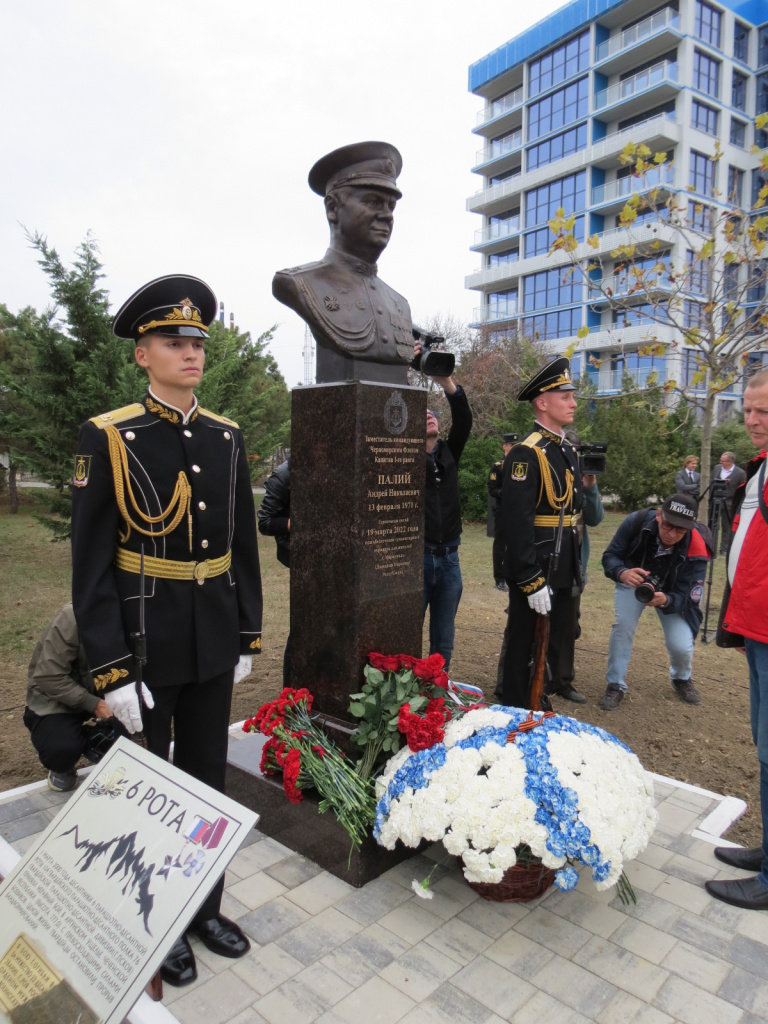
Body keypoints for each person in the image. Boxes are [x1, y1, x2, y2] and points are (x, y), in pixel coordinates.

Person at [71, 275, 263, 986]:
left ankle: (202, 908)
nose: (190, 352)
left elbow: (241, 545)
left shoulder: (225, 436)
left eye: (196, 343)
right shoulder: (111, 435)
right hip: (145, 639)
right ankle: (154, 919)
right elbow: (90, 568)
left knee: (207, 783)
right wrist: (111, 669)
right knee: (150, 792)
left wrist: (246, 635)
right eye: (173, 342)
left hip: (211, 636)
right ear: (141, 355)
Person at [272, 142, 415, 385]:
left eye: (391, 206)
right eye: (373, 202)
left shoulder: (399, 304)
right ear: (332, 208)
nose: (387, 215)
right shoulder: (299, 283)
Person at [706, 369, 768, 911]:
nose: (751, 420)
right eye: (747, 409)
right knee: (764, 745)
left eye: (763, 412)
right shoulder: (760, 467)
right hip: (756, 625)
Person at [499, 357, 583, 709]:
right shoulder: (526, 452)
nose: (573, 402)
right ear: (542, 402)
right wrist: (531, 579)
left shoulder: (565, 448)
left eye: (572, 396)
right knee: (524, 641)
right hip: (538, 564)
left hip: (564, 562)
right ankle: (517, 704)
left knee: (556, 638)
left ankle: (541, 694)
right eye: (565, 396)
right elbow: (516, 523)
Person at [599, 494, 711, 711]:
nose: (672, 534)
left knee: (681, 644)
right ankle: (615, 684)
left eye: (681, 530)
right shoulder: (636, 522)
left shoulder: (698, 545)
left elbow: (691, 596)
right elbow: (610, 556)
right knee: (623, 627)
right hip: (633, 582)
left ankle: (681, 677)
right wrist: (622, 573)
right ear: (659, 515)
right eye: (668, 526)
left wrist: (667, 599)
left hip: (672, 594)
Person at [24, 604, 121, 792]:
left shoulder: (141, 613)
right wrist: (95, 704)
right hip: (56, 698)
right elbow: (49, 676)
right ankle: (67, 760)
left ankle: (101, 739)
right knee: (61, 749)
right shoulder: (72, 616)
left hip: (110, 689)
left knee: (144, 734)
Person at [423, 349, 473, 673]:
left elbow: (464, 418)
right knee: (404, 628)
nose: (430, 416)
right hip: (419, 557)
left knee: (444, 637)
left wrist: (446, 381)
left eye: (433, 415)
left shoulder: (449, 453)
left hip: (450, 558)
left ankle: (435, 687)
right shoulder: (403, 458)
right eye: (423, 414)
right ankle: (402, 690)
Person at [257, 456, 291, 683]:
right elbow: (265, 522)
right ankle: (291, 688)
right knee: (303, 629)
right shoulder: (283, 475)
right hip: (300, 557)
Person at [487, 433, 516, 592]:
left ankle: (513, 576)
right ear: (505, 446)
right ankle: (499, 578)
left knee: (516, 545)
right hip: (503, 511)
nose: (513, 448)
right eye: (511, 445)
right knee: (500, 546)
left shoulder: (520, 466)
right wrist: (506, 493)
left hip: (517, 512)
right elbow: (492, 489)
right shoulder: (498, 466)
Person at [712, 451, 746, 554]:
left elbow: (742, 491)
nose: (721, 462)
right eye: (721, 460)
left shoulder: (740, 473)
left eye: (723, 461)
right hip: (715, 501)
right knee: (713, 524)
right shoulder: (717, 468)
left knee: (726, 527)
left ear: (730, 461)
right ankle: (711, 546)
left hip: (729, 504)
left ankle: (724, 548)